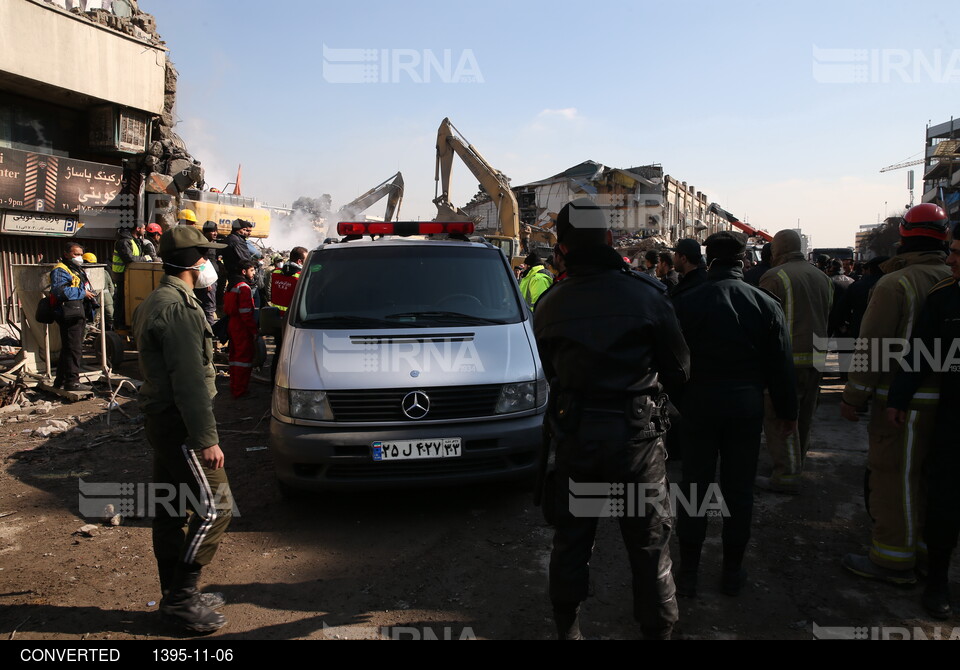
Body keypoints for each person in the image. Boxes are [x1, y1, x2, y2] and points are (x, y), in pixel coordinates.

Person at [534, 197, 690, 640]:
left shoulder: (549, 303)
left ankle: (568, 631)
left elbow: (549, 372)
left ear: (561, 248)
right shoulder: (647, 294)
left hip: (576, 439)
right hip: (637, 443)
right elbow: (680, 370)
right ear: (608, 238)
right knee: (650, 547)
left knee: (571, 542)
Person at [672, 231, 798, 598]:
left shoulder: (686, 301)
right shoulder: (765, 303)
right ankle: (731, 572)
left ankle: (690, 574)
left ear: (708, 258)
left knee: (694, 487)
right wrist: (787, 412)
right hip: (745, 408)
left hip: (698, 406)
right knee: (739, 491)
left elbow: (670, 361)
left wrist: (681, 400)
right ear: (744, 259)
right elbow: (781, 366)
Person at [840, 203, 952, 585]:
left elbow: (873, 347)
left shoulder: (896, 283)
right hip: (946, 404)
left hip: (900, 404)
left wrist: (853, 397)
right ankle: (924, 551)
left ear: (904, 235)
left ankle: (892, 558)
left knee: (894, 478)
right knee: (930, 480)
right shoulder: (950, 279)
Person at [132, 225, 230, 634]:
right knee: (218, 508)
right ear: (194, 262)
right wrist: (207, 439)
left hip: (163, 421)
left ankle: (173, 595)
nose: (211, 262)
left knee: (170, 511)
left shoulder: (156, 299)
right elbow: (189, 381)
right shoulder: (179, 309)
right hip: (182, 425)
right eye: (207, 255)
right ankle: (181, 598)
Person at [887, 228, 960, 617]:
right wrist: (898, 397)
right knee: (945, 499)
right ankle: (937, 582)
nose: (951, 260)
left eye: (959, 254)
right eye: (952, 251)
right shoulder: (945, 296)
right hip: (953, 416)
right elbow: (920, 352)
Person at [755, 229, 834, 494]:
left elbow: (762, 321)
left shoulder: (775, 277)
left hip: (786, 361)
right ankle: (796, 464)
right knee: (805, 416)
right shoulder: (822, 277)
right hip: (818, 357)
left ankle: (785, 475)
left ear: (777, 250)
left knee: (780, 417)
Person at [51, 243, 96, 391]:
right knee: (74, 348)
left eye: (81, 254)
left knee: (69, 348)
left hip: (77, 311)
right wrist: (83, 293)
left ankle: (60, 380)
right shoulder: (60, 270)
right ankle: (72, 381)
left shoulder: (75, 269)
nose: (79, 257)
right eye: (75, 254)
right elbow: (59, 291)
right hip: (69, 313)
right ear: (66, 254)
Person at [269, 246, 307, 382]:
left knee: (278, 352)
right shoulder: (300, 277)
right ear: (300, 261)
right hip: (293, 321)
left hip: (275, 317)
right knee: (293, 355)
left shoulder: (276, 273)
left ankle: (273, 384)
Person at [224, 260, 259, 398]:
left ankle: (234, 386)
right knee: (243, 359)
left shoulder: (232, 285)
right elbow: (245, 312)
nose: (254, 273)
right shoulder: (244, 287)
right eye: (252, 270)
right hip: (242, 326)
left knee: (234, 357)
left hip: (232, 324)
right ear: (244, 272)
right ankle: (240, 390)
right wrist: (254, 330)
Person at [111, 222, 149, 329]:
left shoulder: (134, 241)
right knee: (121, 301)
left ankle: (126, 322)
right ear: (137, 228)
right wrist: (145, 259)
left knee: (129, 300)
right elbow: (130, 259)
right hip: (122, 276)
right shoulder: (123, 242)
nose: (144, 230)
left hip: (131, 276)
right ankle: (119, 324)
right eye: (143, 228)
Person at [82, 252, 114, 331]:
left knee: (91, 321)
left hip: (93, 299)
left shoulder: (83, 273)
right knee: (111, 318)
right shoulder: (104, 271)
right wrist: (110, 297)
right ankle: (114, 335)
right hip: (106, 298)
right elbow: (111, 287)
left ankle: (83, 339)